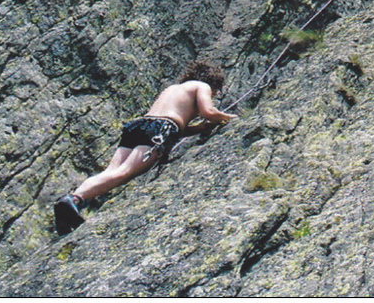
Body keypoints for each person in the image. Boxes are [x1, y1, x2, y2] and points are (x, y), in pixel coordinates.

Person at [53, 61, 238, 235]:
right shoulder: (202, 86)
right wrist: (230, 118)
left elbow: (176, 125)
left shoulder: (172, 89)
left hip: (139, 125)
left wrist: (199, 128)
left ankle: (74, 198)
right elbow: (208, 112)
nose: (212, 95)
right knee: (124, 172)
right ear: (213, 84)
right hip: (162, 129)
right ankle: (74, 201)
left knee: (111, 170)